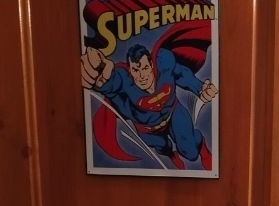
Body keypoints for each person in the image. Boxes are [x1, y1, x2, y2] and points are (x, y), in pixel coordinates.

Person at [81, 40, 218, 170]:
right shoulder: (124, 82)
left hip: (173, 114)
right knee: (163, 148)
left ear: (152, 65)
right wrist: (100, 78)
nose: (142, 76)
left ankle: (202, 148)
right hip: (148, 130)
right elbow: (110, 84)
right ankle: (171, 154)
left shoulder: (163, 64)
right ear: (130, 71)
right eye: (136, 70)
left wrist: (200, 88)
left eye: (145, 68)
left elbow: (182, 74)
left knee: (191, 153)